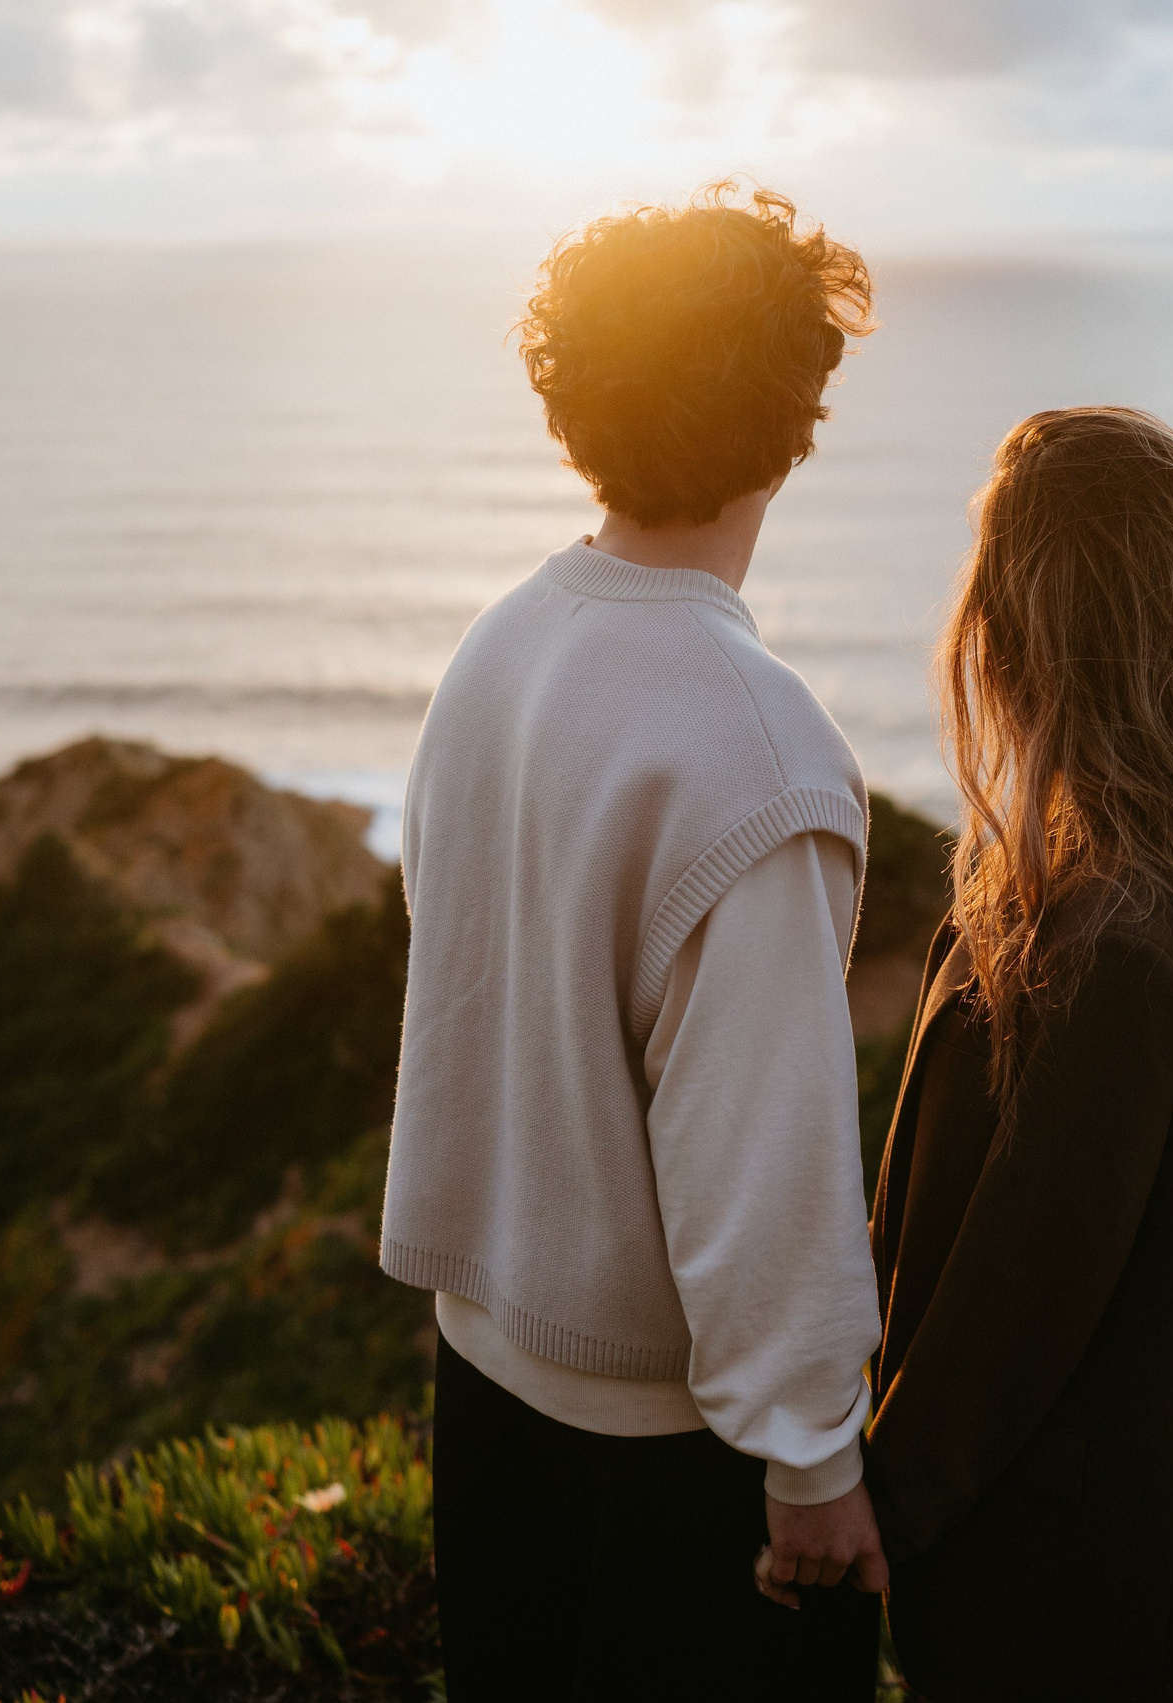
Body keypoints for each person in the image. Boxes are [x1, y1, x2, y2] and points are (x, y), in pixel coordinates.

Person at [378, 182, 888, 1700]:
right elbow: (761, 1150)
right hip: (679, 1467)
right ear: (796, 415)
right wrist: (811, 1463)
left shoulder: (499, 648)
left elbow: (466, 964)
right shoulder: (757, 748)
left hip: (485, 1380)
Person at [864, 408, 1173, 1701]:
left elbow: (1027, 1284)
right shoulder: (1157, 890)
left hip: (1077, 1609)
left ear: (1046, 632)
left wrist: (870, 1506)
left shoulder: (1125, 933)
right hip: (1136, 1579)